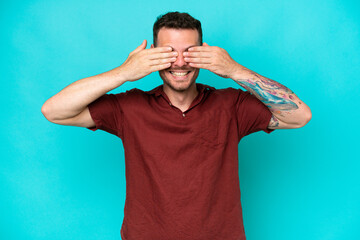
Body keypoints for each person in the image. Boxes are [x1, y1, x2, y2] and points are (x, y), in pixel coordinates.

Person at [41, 11, 312, 240]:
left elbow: (299, 116)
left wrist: (233, 70)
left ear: (204, 54)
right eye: (169, 53)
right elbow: (53, 110)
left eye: (189, 52)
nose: (180, 62)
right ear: (153, 56)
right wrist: (124, 72)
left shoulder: (231, 105)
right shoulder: (129, 107)